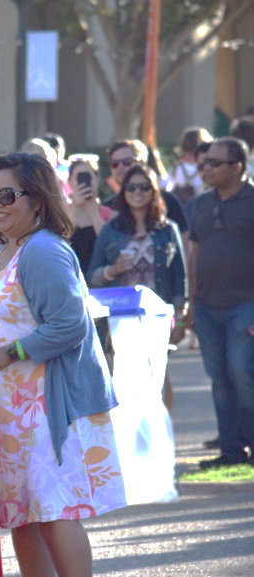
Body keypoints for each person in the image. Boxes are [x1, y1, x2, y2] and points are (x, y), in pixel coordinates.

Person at [0, 152, 126, 577]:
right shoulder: (6, 251)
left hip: (48, 406)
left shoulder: (43, 250)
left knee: (55, 509)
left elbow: (70, 325)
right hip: (10, 409)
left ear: (39, 200)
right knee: (23, 515)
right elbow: (4, 330)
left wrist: (9, 354)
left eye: (8, 194)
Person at [88, 164, 187, 410]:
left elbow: (180, 276)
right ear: (123, 192)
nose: (137, 192)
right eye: (131, 187)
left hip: (156, 315)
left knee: (159, 374)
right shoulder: (111, 230)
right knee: (123, 376)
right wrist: (113, 270)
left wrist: (181, 317)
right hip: (121, 316)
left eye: (144, 187)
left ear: (153, 191)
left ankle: (162, 434)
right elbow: (92, 275)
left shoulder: (168, 230)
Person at [187, 137, 254, 469]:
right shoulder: (200, 204)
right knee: (219, 377)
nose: (206, 168)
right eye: (204, 162)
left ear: (237, 168)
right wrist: (191, 303)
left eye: (214, 163)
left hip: (246, 304)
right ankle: (230, 451)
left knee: (243, 372)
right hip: (207, 306)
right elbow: (195, 253)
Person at [105, 139, 189, 241]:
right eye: (115, 164)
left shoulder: (167, 201)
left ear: (142, 163)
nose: (120, 167)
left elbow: (184, 241)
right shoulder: (107, 207)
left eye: (127, 162)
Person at [66, 155, 112, 275]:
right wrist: (75, 210)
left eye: (88, 177)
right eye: (79, 178)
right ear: (69, 182)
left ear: (97, 180)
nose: (84, 183)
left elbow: (110, 248)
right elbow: (56, 243)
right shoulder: (61, 213)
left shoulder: (110, 215)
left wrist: (93, 213)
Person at [168, 126, 212, 205]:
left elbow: (169, 186)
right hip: (201, 205)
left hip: (180, 206)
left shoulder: (176, 166)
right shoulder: (208, 168)